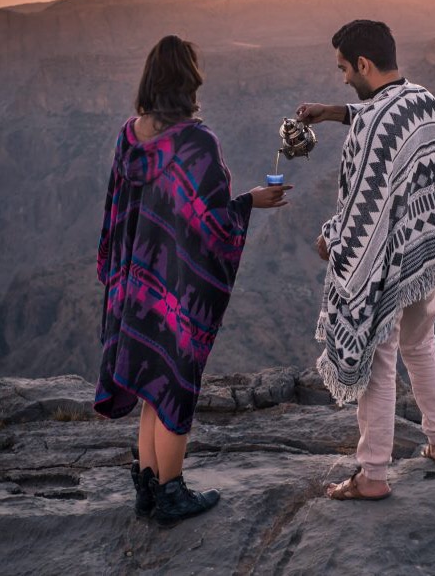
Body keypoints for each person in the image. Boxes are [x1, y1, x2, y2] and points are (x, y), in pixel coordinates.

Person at [93, 34, 292, 526]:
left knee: (148, 386)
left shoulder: (129, 135)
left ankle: (146, 487)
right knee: (175, 386)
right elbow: (211, 222)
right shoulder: (197, 143)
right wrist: (250, 202)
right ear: (189, 82)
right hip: (176, 292)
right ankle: (171, 494)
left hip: (137, 288)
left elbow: (118, 211)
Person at [295, 20, 435, 501]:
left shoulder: (371, 125)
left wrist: (332, 241)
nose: (343, 77)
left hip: (385, 262)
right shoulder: (423, 101)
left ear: (363, 63)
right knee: (421, 346)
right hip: (423, 251)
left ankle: (373, 475)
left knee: (376, 362)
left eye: (345, 68)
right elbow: (387, 117)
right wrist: (333, 112)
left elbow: (362, 208)